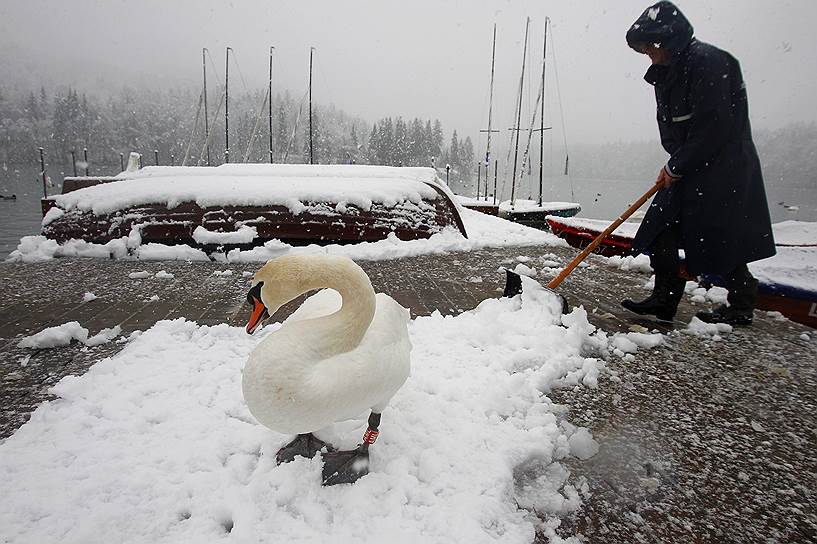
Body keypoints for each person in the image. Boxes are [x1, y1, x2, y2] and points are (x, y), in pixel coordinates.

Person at [621, 1, 775, 326]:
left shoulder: (708, 62)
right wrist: (677, 163)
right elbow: (675, 126)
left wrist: (677, 165)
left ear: (668, 40)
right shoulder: (667, 72)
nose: (648, 54)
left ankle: (741, 303)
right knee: (660, 227)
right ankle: (664, 299)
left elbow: (714, 125)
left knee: (720, 235)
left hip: (723, 167)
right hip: (689, 163)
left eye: (651, 47)